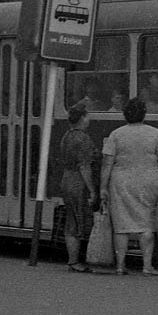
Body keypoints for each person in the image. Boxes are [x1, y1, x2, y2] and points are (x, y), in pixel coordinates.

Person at [99, 98, 158, 276]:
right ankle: (147, 266)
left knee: (121, 225)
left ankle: (120, 266)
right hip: (148, 181)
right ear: (144, 114)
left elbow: (107, 164)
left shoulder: (116, 134)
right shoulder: (155, 133)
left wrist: (103, 187)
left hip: (121, 182)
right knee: (147, 224)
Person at [59, 105, 100, 272]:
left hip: (67, 178)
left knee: (71, 220)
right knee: (78, 220)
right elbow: (85, 167)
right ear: (82, 118)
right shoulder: (83, 139)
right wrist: (92, 190)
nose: (89, 119)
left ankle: (73, 260)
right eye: (87, 116)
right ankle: (75, 261)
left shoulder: (67, 136)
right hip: (78, 182)